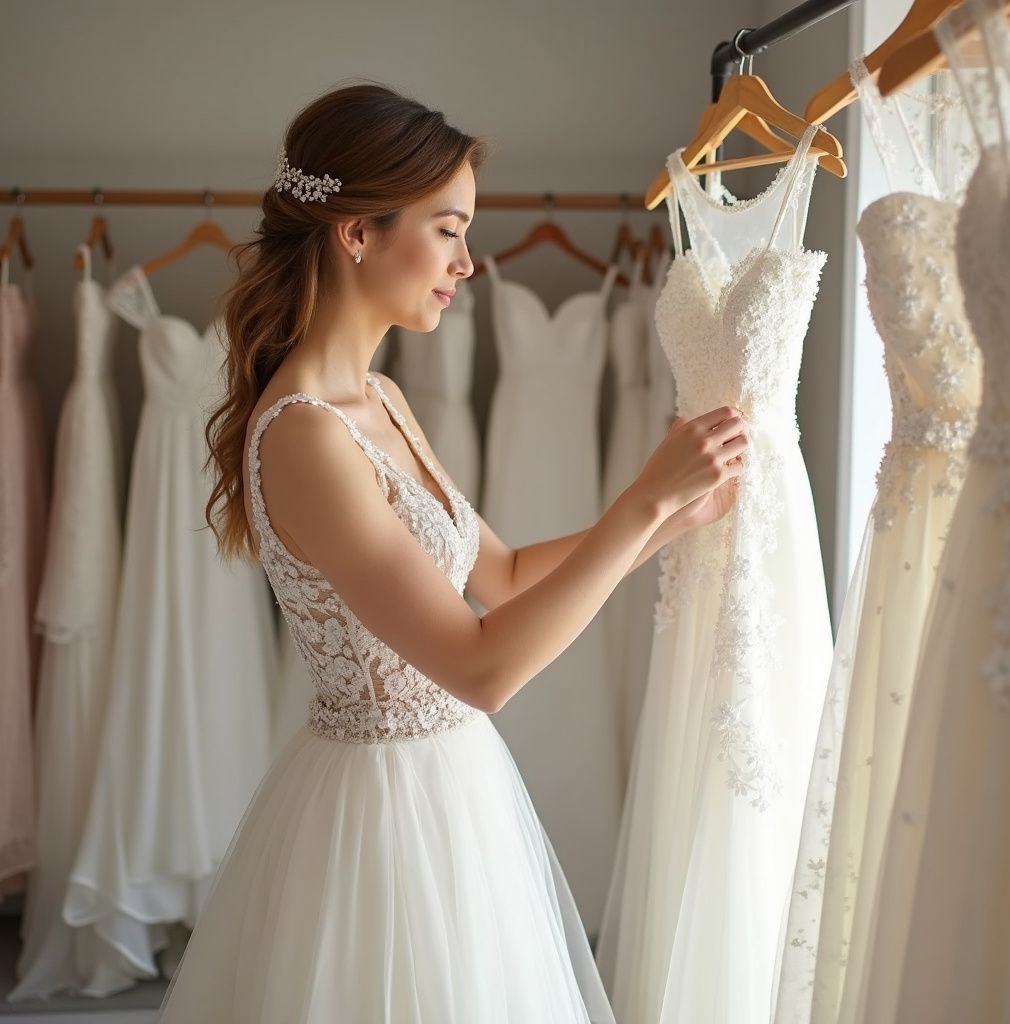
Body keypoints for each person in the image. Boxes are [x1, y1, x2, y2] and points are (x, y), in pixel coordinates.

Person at [157, 82, 748, 1023]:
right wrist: (639, 503)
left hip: (454, 789)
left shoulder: (380, 401)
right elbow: (482, 666)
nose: (468, 264)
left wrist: (680, 513)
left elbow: (501, 575)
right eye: (447, 230)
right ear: (356, 232)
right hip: (381, 820)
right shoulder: (304, 435)